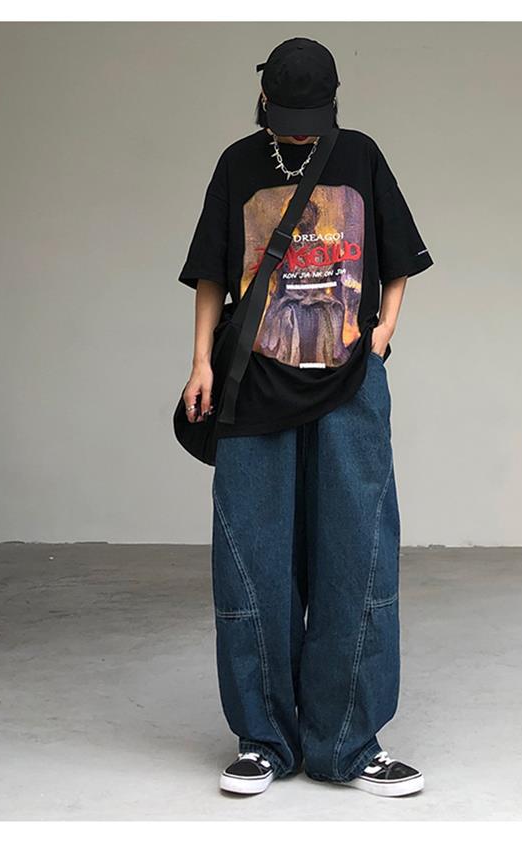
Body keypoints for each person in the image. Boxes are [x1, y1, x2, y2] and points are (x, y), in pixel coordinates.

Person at [177, 37, 433, 798]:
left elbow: (400, 258)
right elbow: (212, 273)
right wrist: (200, 362)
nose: (296, 131)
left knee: (358, 558)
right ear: (263, 101)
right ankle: (264, 741)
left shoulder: (360, 155)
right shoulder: (237, 164)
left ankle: (350, 744)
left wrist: (383, 333)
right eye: (285, 118)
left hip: (349, 387)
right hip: (254, 387)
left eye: (308, 119)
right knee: (252, 564)